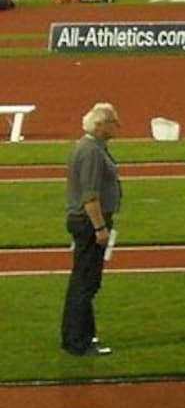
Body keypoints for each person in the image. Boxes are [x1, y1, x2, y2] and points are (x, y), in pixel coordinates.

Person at [63, 102, 123, 356]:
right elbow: (90, 195)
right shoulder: (91, 152)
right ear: (99, 125)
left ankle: (82, 336)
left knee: (85, 281)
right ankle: (78, 342)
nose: (117, 127)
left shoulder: (93, 147)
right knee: (85, 283)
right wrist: (100, 227)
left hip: (88, 222)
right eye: (113, 122)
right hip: (89, 223)